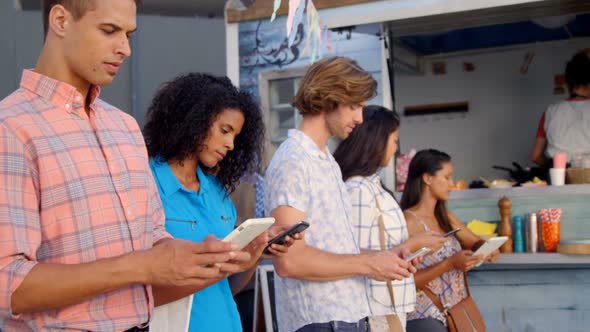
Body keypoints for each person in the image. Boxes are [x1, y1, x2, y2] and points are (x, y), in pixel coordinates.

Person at [0, 1, 246, 331]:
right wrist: (141, 266)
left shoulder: (125, 128)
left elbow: (153, 238)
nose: (125, 49)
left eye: (129, 34)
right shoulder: (11, 129)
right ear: (60, 20)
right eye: (109, 31)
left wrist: (199, 256)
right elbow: (7, 286)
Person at [263, 56, 417, 332]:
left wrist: (386, 257)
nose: (359, 118)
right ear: (329, 99)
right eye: (354, 106)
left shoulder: (325, 159)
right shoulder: (293, 161)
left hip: (346, 315)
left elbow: (334, 249)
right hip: (319, 321)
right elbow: (289, 260)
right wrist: (369, 263)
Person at [143, 73, 300, 332]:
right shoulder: (145, 185)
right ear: (192, 120)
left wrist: (254, 252)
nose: (229, 144)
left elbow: (227, 286)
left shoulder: (218, 194)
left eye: (236, 137)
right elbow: (144, 292)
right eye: (224, 130)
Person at [333, 106, 448, 332]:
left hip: (390, 304)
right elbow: (351, 253)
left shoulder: (374, 187)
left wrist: (408, 255)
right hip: (374, 309)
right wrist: (412, 245)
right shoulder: (357, 190)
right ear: (376, 141)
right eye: (394, 141)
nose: (396, 149)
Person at [400, 149, 499, 332]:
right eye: (447, 177)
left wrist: (487, 250)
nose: (452, 184)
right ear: (427, 178)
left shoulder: (445, 216)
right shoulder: (408, 221)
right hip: (424, 318)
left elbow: (474, 242)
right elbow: (403, 282)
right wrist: (450, 263)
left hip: (454, 314)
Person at [530, 52, 590, 167]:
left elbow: (535, 156)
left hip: (560, 177)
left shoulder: (550, 112)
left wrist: (553, 166)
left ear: (567, 83)